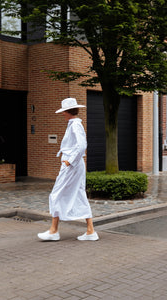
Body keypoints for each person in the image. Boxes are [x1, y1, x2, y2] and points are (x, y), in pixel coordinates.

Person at [37, 97, 99, 241]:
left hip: (72, 166)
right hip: (74, 166)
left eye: (64, 111)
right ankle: (90, 231)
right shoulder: (73, 124)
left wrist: (69, 162)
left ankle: (54, 231)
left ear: (68, 111)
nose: (62, 114)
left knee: (56, 194)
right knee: (78, 194)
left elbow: (82, 145)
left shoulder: (75, 125)